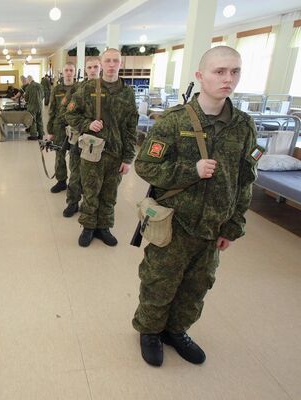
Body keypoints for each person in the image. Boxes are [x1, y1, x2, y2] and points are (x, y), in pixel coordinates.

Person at [132, 46, 261, 367]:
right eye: (220, 71)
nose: (228, 79)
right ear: (200, 76)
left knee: (196, 286)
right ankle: (149, 331)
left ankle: (176, 330)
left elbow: (244, 181)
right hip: (175, 223)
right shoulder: (173, 122)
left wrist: (233, 227)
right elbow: (145, 166)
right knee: (160, 280)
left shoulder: (244, 126)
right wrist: (191, 169)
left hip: (213, 227)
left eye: (235, 71)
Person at [65, 50, 138, 247]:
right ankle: (88, 227)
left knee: (109, 194)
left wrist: (128, 158)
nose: (112, 64)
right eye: (108, 61)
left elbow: (132, 127)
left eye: (116, 61)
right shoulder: (88, 88)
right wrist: (87, 124)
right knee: (90, 191)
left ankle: (104, 227)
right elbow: (70, 114)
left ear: (121, 64)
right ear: (102, 64)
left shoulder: (127, 92)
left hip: (116, 153)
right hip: (92, 151)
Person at [46, 62, 76, 193]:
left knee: (76, 157)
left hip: (76, 127)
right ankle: (61, 181)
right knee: (59, 154)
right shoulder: (57, 89)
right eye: (66, 70)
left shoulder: (80, 88)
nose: (68, 73)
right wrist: (50, 130)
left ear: (74, 72)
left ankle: (76, 184)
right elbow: (51, 110)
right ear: (62, 73)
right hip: (59, 127)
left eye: (71, 70)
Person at [61, 75, 88, 218]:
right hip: (77, 138)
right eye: (90, 67)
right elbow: (67, 112)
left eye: (96, 67)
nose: (93, 70)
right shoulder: (77, 89)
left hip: (98, 142)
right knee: (75, 173)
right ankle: (72, 203)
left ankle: (90, 207)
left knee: (93, 178)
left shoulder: (107, 90)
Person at [25, 75, 44, 141]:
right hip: (40, 106)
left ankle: (33, 135)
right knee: (39, 120)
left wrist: (28, 100)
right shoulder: (40, 85)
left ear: (28, 80)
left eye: (26, 80)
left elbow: (26, 98)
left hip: (32, 106)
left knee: (32, 120)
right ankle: (41, 135)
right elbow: (43, 96)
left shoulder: (29, 87)